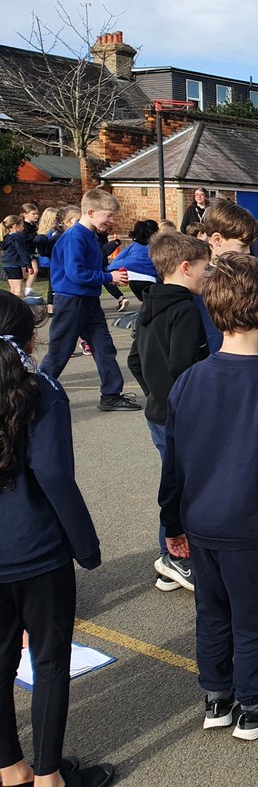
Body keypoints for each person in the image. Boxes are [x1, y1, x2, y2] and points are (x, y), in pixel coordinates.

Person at [159, 253, 258, 741]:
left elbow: (173, 461)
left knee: (212, 612)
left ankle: (216, 698)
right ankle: (251, 705)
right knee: (250, 617)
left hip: (200, 521)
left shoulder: (189, 380)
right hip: (248, 526)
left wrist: (172, 522)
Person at [0, 291, 115, 787]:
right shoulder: (41, 391)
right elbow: (54, 475)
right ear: (31, 336)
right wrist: (85, 545)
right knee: (49, 663)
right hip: (37, 550)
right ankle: (48, 776)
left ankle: (10, 767)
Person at [127, 231, 211, 594]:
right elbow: (183, 367)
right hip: (181, 415)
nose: (208, 275)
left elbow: (133, 360)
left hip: (157, 412)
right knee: (183, 487)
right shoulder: (185, 310)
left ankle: (170, 563)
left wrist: (154, 395)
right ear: (185, 267)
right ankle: (175, 556)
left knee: (174, 481)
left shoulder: (149, 305)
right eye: (206, 269)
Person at [38, 189, 141, 413]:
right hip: (72, 301)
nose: (112, 221)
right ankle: (34, 394)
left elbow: (88, 270)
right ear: (92, 212)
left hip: (88, 301)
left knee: (104, 347)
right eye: (109, 216)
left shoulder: (90, 235)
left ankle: (111, 395)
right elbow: (75, 274)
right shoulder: (75, 236)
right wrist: (107, 277)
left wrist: (107, 277)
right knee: (60, 350)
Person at [191, 199, 258, 353]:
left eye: (249, 246)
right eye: (243, 246)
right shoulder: (195, 281)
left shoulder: (246, 277)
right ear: (217, 240)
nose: (248, 252)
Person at [107, 220, 159, 302]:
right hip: (151, 280)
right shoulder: (155, 247)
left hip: (134, 281)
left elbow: (117, 260)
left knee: (146, 302)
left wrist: (110, 270)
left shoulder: (133, 246)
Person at [2, 216, 31, 298]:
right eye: (22, 225)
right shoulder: (17, 237)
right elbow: (22, 251)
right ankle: (17, 309)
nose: (23, 228)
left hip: (6, 265)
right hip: (15, 265)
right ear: (15, 225)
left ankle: (11, 306)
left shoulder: (7, 237)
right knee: (18, 291)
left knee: (13, 289)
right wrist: (28, 265)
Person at [20, 205, 40, 297]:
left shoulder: (34, 226)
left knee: (34, 271)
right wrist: (36, 235)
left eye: (37, 214)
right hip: (24, 253)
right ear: (25, 214)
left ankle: (28, 289)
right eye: (33, 214)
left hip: (32, 252)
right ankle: (18, 290)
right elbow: (24, 238)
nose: (36, 216)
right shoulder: (23, 225)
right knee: (23, 273)